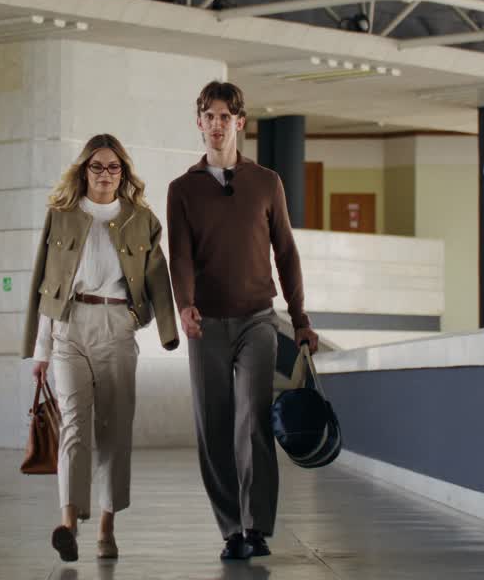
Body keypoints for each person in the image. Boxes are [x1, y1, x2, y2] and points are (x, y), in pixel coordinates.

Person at [167, 81, 319, 561]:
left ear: (240, 123)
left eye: (224, 116)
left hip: (257, 319)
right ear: (199, 123)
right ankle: (231, 528)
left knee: (251, 420)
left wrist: (300, 319)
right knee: (213, 426)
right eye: (208, 116)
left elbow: (288, 254)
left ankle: (257, 527)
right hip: (206, 323)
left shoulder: (267, 182)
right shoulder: (182, 189)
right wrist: (184, 305)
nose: (216, 125)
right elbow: (181, 258)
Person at [23, 134, 180, 563]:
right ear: (84, 169)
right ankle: (69, 523)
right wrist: (40, 353)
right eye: (98, 166)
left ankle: (107, 530)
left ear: (123, 173)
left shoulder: (140, 219)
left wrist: (164, 328)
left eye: (114, 168)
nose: (106, 175)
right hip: (68, 327)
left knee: (114, 431)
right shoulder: (62, 216)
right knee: (74, 426)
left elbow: (158, 279)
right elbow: (46, 286)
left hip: (116, 327)